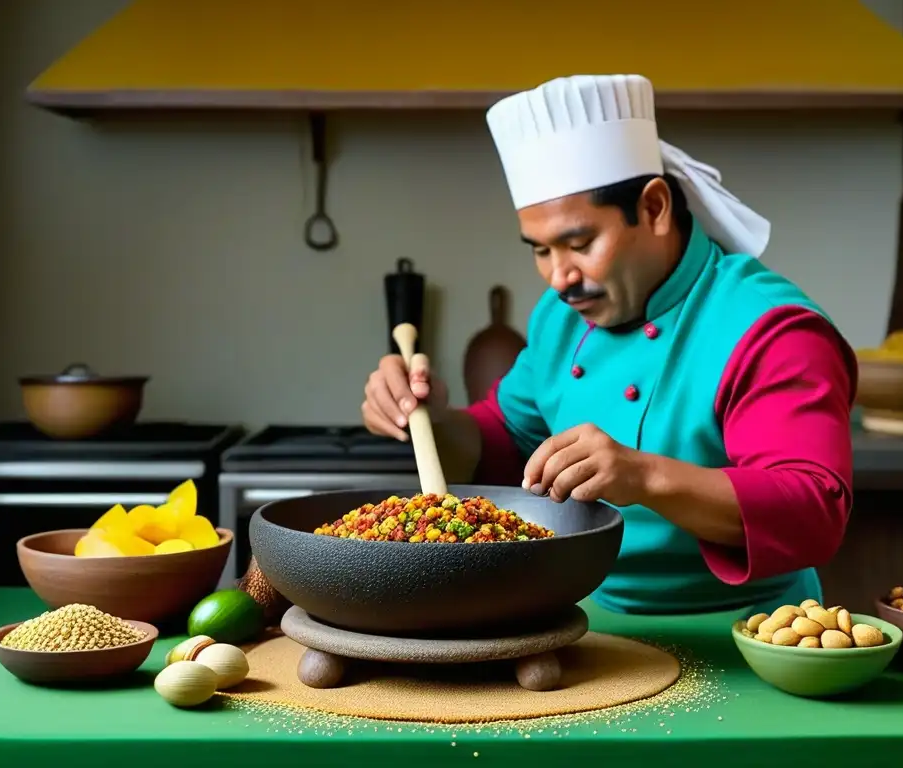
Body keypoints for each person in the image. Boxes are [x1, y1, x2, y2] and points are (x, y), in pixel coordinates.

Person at [362, 74, 856, 616]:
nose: (559, 277)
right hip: (583, 622)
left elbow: (812, 511)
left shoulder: (768, 328)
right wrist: (428, 418)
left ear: (654, 207)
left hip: (742, 633)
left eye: (579, 243)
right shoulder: (560, 318)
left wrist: (643, 475)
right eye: (541, 250)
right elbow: (503, 442)